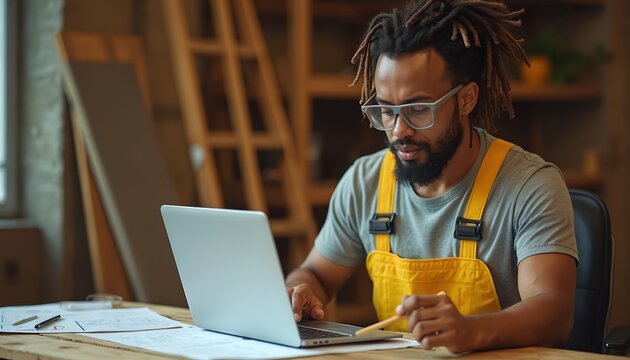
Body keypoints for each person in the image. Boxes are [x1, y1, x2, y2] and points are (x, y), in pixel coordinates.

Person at [285, 0, 578, 353]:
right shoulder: (366, 181)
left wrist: (471, 332)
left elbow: (554, 311)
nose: (399, 131)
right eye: (386, 111)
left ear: (467, 99)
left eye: (419, 109)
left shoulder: (531, 186)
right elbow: (316, 274)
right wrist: (298, 292)